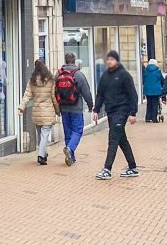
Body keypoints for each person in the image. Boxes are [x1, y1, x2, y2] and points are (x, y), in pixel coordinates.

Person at [94, 51, 139, 180]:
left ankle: (107, 169)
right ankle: (132, 167)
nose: (109, 61)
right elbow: (100, 94)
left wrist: (133, 113)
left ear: (117, 61)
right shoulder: (105, 76)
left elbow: (132, 95)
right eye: (108, 59)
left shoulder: (124, 75)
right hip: (111, 111)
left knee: (113, 138)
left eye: (112, 59)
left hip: (122, 110)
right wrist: (96, 109)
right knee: (121, 139)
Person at [55, 54, 95, 165]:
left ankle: (70, 158)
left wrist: (57, 107)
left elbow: (54, 92)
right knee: (77, 131)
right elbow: (86, 92)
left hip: (64, 108)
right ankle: (70, 149)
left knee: (68, 132)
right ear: (74, 61)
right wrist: (90, 105)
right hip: (76, 108)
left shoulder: (58, 74)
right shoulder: (78, 74)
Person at [20, 59, 59, 165]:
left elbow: (27, 95)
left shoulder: (32, 80)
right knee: (45, 134)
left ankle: (43, 153)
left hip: (36, 111)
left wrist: (21, 107)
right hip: (48, 111)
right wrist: (57, 110)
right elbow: (53, 97)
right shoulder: (50, 80)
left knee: (40, 135)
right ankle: (41, 156)